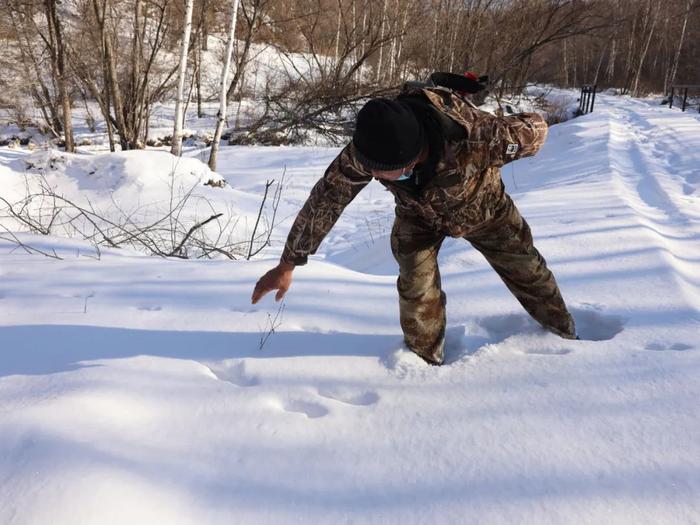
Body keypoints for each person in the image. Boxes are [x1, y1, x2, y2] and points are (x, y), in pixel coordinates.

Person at [251, 84, 576, 365]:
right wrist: (289, 262)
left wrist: (522, 134)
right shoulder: (368, 151)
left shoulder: (478, 137)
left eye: (384, 174)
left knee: (529, 273)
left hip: (486, 211)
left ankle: (564, 336)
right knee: (416, 289)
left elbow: (536, 129)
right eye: (371, 170)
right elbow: (327, 199)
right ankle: (423, 364)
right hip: (418, 215)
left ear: (413, 156)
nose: (373, 176)